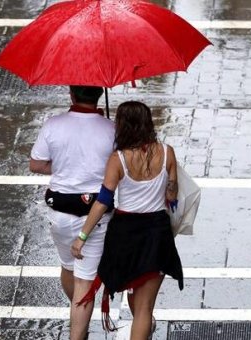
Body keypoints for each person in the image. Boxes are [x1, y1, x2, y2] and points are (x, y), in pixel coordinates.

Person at [71, 101, 184, 340]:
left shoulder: (118, 158)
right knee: (144, 310)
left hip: (126, 235)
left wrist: (82, 237)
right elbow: (172, 196)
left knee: (133, 295)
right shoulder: (167, 152)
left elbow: (103, 201)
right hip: (157, 233)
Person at [30, 85, 115, 340]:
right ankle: (78, 332)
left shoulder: (53, 125)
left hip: (60, 216)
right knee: (84, 283)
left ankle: (78, 308)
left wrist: (66, 166)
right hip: (95, 218)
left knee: (68, 268)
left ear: (71, 94)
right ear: (99, 95)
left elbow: (36, 164)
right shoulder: (111, 129)